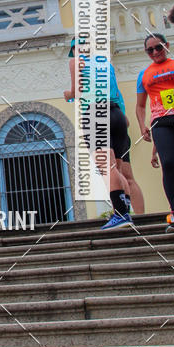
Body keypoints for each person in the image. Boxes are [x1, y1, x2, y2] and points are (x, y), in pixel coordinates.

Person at [64, 38, 133, 229]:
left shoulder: (76, 61)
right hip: (116, 114)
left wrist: (68, 95)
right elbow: (117, 93)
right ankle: (126, 210)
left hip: (95, 113)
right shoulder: (106, 63)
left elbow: (76, 91)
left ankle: (120, 214)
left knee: (106, 167)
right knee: (117, 168)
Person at [136, 33, 174, 231]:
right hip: (161, 122)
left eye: (159, 47)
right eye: (150, 50)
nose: (155, 52)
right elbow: (140, 106)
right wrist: (142, 126)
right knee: (170, 163)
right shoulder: (143, 74)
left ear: (167, 46)